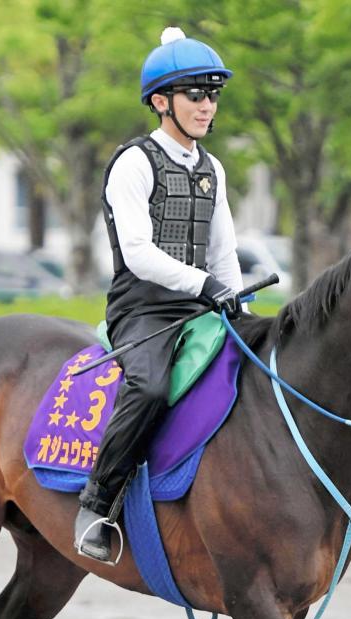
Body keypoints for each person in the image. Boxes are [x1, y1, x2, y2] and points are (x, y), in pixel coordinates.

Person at [74, 26, 244, 563]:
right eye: (195, 94)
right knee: (149, 388)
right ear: (161, 102)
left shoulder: (213, 169)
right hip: (142, 307)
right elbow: (139, 253)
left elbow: (223, 252)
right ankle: (97, 501)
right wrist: (206, 285)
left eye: (212, 94)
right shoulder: (134, 163)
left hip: (200, 303)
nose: (206, 105)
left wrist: (238, 304)